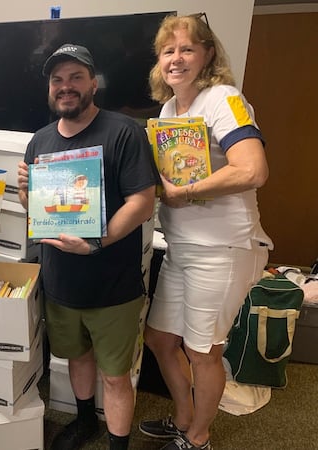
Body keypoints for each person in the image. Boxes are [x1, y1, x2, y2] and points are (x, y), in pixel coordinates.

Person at [138, 14, 273, 450]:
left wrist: (187, 191)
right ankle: (183, 418)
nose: (176, 59)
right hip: (182, 247)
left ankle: (198, 438)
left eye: (187, 49)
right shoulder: (168, 111)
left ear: (208, 54)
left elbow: (253, 169)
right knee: (159, 339)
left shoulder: (224, 99)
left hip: (223, 248)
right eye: (168, 51)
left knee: (203, 351)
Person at [17, 44, 159, 450]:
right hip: (60, 281)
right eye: (57, 80)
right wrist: (27, 194)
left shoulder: (124, 132)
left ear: (93, 83)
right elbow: (37, 212)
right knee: (76, 358)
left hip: (112, 284)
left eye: (76, 77)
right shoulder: (39, 142)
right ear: (50, 88)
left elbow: (142, 202)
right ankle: (85, 422)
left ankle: (117, 445)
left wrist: (97, 242)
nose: (66, 87)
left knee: (115, 375)